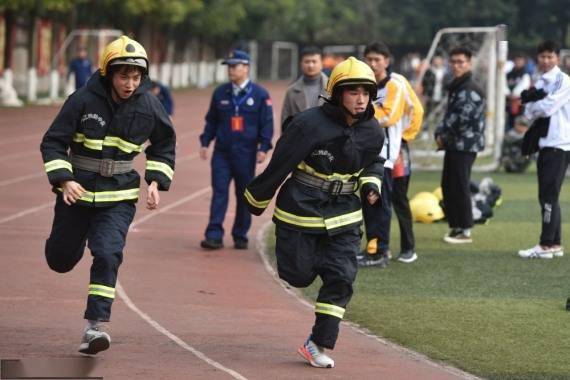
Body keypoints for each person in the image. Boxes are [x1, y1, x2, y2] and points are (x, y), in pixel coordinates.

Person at [244, 57, 384, 368]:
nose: (361, 99)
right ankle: (318, 263)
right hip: (301, 210)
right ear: (336, 94)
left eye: (366, 92)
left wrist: (371, 184)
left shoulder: (374, 131)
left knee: (342, 276)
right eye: (353, 92)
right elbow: (281, 162)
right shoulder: (307, 125)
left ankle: (318, 343)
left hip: (345, 214)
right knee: (297, 274)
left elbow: (374, 161)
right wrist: (256, 199)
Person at [40, 36, 176, 355]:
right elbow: (53, 142)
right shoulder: (82, 100)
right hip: (77, 194)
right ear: (108, 74)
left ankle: (95, 327)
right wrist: (64, 180)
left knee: (108, 253)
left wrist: (155, 181)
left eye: (135, 77)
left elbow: (164, 145)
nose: (129, 83)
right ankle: (65, 248)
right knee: (60, 260)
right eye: (123, 76)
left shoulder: (149, 105)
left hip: (119, 196)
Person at [199, 49, 274, 250]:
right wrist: (205, 142)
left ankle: (240, 234)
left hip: (246, 153)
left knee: (244, 194)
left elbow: (266, 124)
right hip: (222, 153)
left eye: (235, 66)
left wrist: (264, 147)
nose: (230, 70)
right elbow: (211, 120)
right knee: (219, 192)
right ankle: (214, 234)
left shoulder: (260, 95)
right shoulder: (220, 93)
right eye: (229, 66)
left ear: (246, 67)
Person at [358, 41, 423, 268]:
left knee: (392, 199)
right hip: (368, 152)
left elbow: (391, 116)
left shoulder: (395, 84)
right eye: (369, 59)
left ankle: (391, 249)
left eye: (378, 59)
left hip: (391, 153)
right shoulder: (362, 83)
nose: (373, 64)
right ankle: (373, 247)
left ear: (387, 61)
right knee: (369, 199)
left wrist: (406, 136)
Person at [518, 40, 570, 259]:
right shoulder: (540, 80)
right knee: (549, 196)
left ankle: (546, 245)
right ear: (537, 58)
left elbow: (546, 108)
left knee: (548, 196)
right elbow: (527, 111)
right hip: (547, 144)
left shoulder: (562, 79)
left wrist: (537, 101)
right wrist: (536, 101)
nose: (546, 60)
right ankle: (555, 243)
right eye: (542, 56)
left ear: (557, 58)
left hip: (558, 144)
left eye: (550, 56)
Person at [434, 46, 485, 244]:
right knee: (448, 184)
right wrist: (441, 134)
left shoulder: (470, 88)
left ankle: (465, 229)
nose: (456, 66)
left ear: (469, 63)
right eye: (453, 62)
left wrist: (441, 135)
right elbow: (451, 116)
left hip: (465, 145)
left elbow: (462, 119)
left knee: (460, 185)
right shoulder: (458, 85)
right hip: (455, 144)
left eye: (460, 62)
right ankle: (456, 226)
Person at [281, 46, 328, 127]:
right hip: (300, 138)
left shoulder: (334, 88)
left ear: (321, 63)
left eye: (314, 61)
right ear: (301, 64)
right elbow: (285, 122)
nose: (310, 65)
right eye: (307, 62)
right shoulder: (291, 91)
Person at [505, 53, 531, 130]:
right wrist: (508, 94)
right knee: (509, 122)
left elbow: (524, 87)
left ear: (524, 62)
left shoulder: (525, 74)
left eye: (520, 61)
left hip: (519, 103)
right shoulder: (509, 74)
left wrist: (515, 95)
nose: (518, 62)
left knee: (519, 123)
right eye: (517, 60)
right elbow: (504, 85)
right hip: (508, 102)